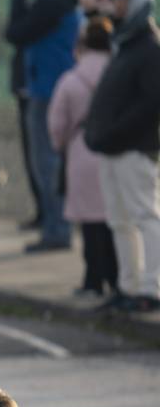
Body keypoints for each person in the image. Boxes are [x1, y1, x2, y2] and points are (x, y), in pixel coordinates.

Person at [84, 0, 160, 314]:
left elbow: (151, 102)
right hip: (112, 148)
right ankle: (128, 286)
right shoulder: (124, 45)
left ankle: (151, 287)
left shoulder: (149, 48)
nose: (117, 6)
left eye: (124, 2)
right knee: (119, 220)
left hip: (134, 148)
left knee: (145, 216)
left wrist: (115, 130)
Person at [4, 0, 82, 255]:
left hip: (48, 89)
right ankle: (52, 222)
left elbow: (16, 33)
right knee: (47, 162)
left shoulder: (53, 2)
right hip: (45, 85)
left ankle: (57, 229)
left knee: (47, 162)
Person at [49, 18, 117, 299]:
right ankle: (116, 277)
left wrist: (61, 144)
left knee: (89, 222)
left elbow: (56, 123)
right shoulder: (118, 72)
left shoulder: (71, 79)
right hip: (115, 151)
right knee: (114, 220)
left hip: (81, 151)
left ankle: (92, 280)